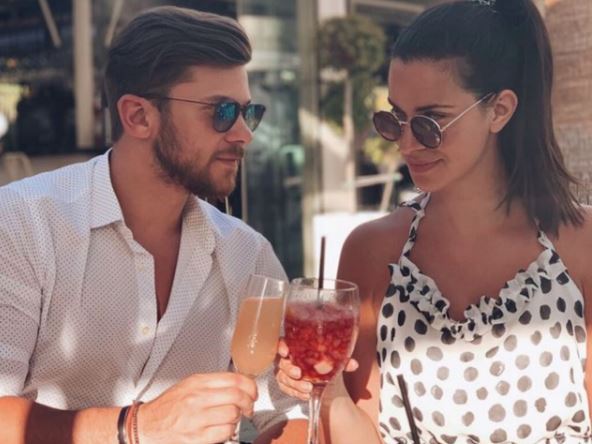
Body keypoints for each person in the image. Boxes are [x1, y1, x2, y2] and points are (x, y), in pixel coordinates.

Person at [276, 0, 592, 442]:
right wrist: (328, 395)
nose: (407, 144)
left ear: (499, 110)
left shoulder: (580, 245)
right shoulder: (373, 251)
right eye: (394, 120)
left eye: (430, 122)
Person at [0, 6, 305, 444]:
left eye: (248, 112)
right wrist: (138, 426)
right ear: (138, 116)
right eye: (222, 112)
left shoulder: (247, 255)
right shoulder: (22, 225)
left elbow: (291, 412)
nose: (244, 134)